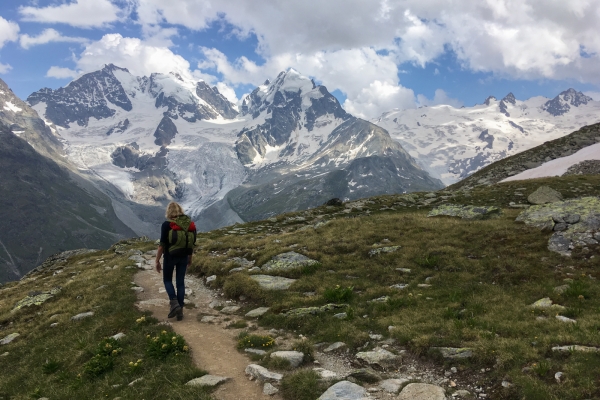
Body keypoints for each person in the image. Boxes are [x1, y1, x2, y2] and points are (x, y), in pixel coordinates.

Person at [155, 202, 196, 321]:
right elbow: (191, 244)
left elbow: (161, 245)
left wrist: (157, 260)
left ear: (169, 212)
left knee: (167, 280)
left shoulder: (167, 224)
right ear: (180, 210)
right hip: (183, 256)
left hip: (170, 256)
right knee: (180, 282)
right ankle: (180, 311)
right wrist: (190, 258)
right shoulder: (189, 224)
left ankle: (174, 303)